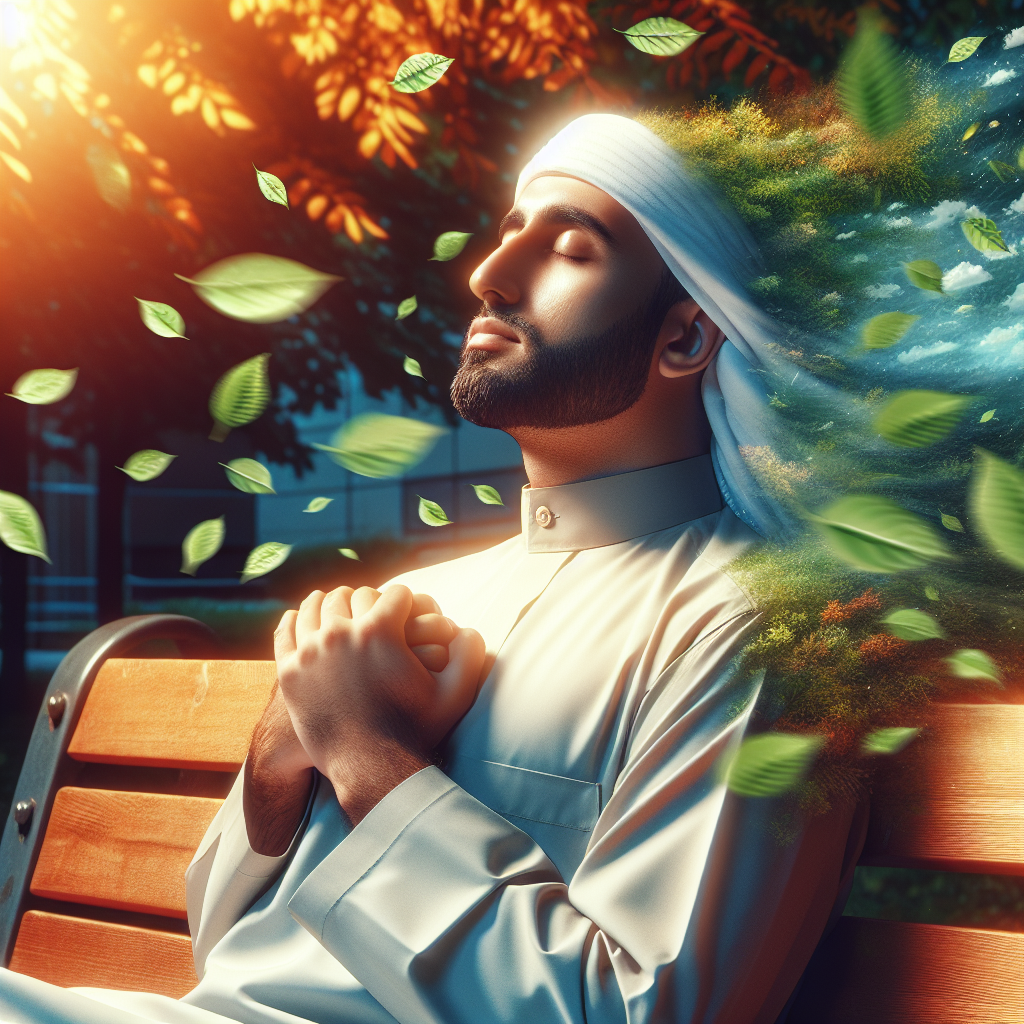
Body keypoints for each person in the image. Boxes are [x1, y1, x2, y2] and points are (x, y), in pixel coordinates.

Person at [0, 113, 866, 1024]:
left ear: (685, 339)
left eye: (570, 249)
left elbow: (645, 1013)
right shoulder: (422, 601)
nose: (489, 277)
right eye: (507, 235)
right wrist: (275, 760)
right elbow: (224, 945)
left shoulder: (760, 628)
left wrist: (367, 757)